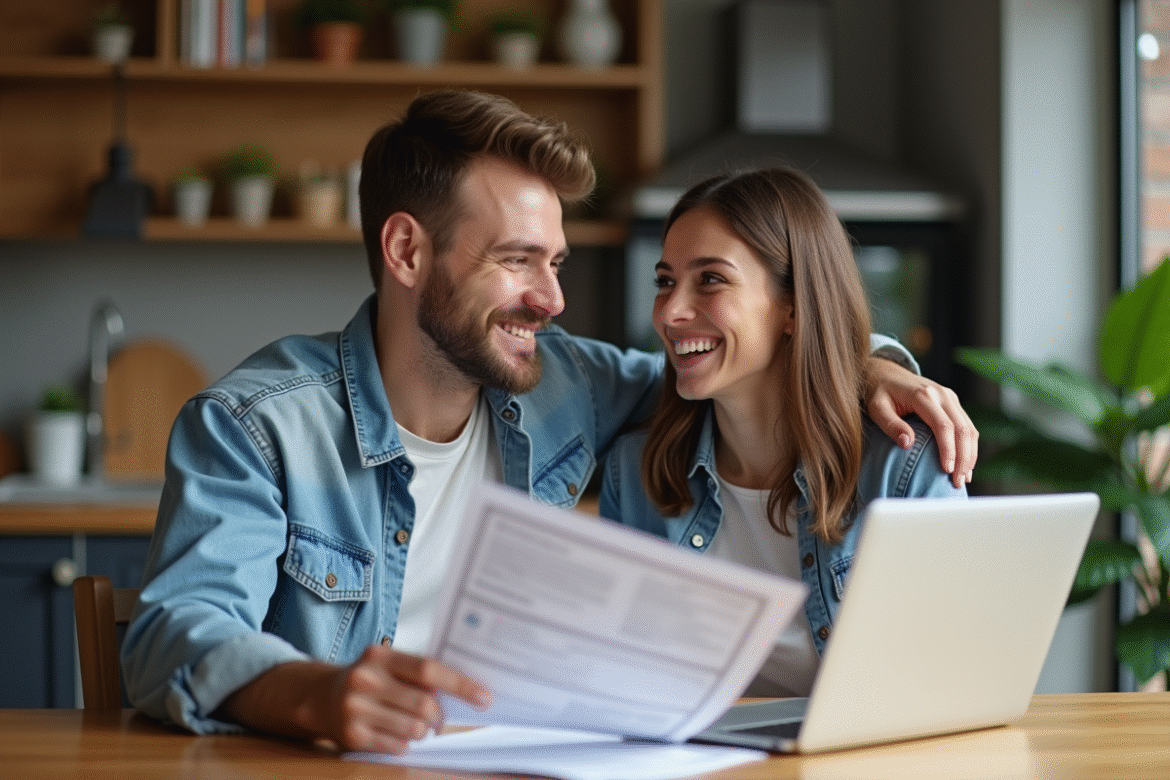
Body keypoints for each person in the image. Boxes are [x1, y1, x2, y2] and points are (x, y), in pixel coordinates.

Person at [120, 90, 976, 753]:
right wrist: (315, 695)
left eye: (556, 262)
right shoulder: (257, 426)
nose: (554, 299)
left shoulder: (560, 381)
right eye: (516, 261)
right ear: (407, 252)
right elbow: (171, 633)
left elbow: (740, 369)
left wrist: (871, 366)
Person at [599, 167, 968, 699]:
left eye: (710, 279)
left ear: (792, 306)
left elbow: (953, 687)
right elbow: (621, 681)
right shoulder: (636, 474)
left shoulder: (905, 463)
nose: (671, 312)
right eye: (664, 281)